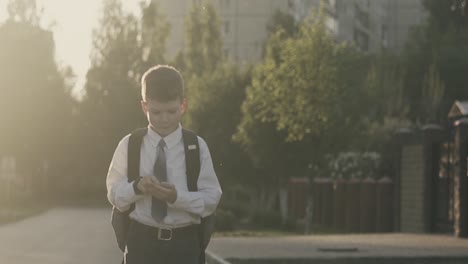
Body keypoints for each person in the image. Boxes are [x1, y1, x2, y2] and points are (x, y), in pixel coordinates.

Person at [106, 65, 222, 264]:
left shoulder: (195, 146)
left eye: (171, 111)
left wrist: (177, 197)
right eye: (156, 112)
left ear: (183, 106)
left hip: (184, 245)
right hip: (141, 243)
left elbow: (211, 198)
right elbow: (114, 195)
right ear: (144, 107)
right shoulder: (130, 144)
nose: (164, 119)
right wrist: (137, 187)